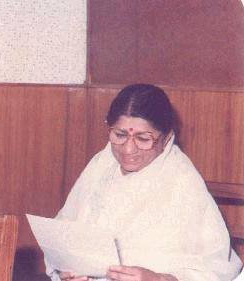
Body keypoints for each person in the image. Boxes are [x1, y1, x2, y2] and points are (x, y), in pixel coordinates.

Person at [47, 84, 242, 281]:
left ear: (166, 139)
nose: (128, 149)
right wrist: (66, 270)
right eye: (120, 135)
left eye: (143, 138)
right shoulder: (102, 163)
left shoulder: (183, 182)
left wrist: (159, 279)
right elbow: (64, 235)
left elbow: (214, 270)